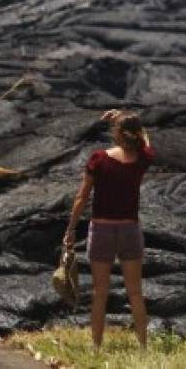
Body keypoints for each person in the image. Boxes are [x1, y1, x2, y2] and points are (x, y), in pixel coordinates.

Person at [63, 109, 155, 350]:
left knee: (99, 292)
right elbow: (146, 141)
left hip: (102, 230)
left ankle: (96, 346)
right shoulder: (142, 159)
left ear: (115, 133)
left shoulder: (99, 159)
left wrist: (71, 229)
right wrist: (130, 121)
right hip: (130, 230)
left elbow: (81, 198)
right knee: (135, 292)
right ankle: (143, 346)